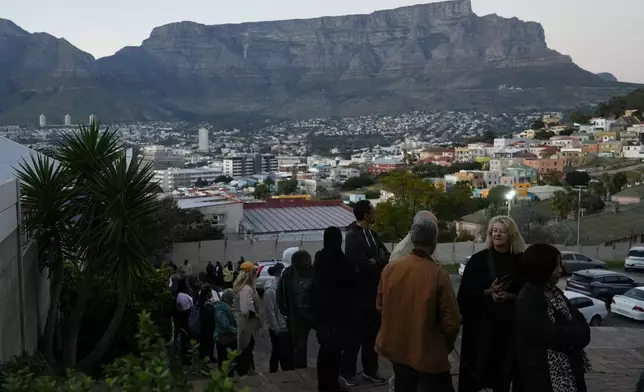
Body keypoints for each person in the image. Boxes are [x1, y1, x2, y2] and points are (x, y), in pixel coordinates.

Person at [376, 219, 460, 392]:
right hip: (428, 356)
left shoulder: (390, 269)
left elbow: (380, 306)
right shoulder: (437, 274)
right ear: (434, 242)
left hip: (396, 350)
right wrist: (446, 347)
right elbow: (452, 322)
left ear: (413, 240)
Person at [457, 215, 526, 392]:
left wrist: (509, 296)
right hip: (482, 330)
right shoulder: (478, 260)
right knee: (476, 373)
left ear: (511, 234)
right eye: (494, 230)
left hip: (509, 330)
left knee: (503, 376)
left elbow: (530, 293)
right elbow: (464, 296)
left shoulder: (522, 261)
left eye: (502, 231)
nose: (497, 234)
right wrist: (489, 292)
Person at [516, 244, 591, 392]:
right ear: (542, 267)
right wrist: (574, 334)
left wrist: (571, 334)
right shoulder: (528, 299)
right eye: (555, 265)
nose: (560, 270)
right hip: (543, 379)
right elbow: (551, 336)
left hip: (571, 374)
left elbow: (584, 329)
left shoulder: (556, 293)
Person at [341, 200, 389, 385]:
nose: (375, 214)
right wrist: (376, 262)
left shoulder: (373, 234)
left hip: (374, 295)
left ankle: (370, 370)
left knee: (372, 337)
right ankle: (347, 373)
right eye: (373, 211)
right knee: (354, 338)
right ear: (366, 215)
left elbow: (386, 255)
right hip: (358, 297)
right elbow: (359, 263)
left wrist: (374, 261)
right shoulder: (353, 236)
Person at [310, 226, 359, 392]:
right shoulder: (342, 261)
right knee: (336, 352)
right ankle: (333, 384)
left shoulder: (319, 259)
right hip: (339, 316)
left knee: (325, 352)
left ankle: (324, 385)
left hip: (322, 315)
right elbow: (350, 288)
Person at [277, 249, 315, 370]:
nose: (305, 267)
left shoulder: (315, 272)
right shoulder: (288, 274)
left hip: (314, 313)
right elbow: (280, 294)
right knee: (299, 346)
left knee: (326, 342)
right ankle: (301, 370)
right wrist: (286, 312)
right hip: (297, 315)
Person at [233, 261, 263, 376]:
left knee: (247, 348)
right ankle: (245, 372)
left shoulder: (246, 287)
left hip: (246, 325)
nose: (256, 274)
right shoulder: (246, 289)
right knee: (246, 348)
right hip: (247, 325)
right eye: (254, 272)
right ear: (249, 274)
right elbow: (247, 310)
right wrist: (258, 318)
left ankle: (250, 370)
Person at [264, 262, 295, 373]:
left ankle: (280, 372)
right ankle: (275, 373)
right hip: (278, 328)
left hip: (284, 326)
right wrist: (276, 328)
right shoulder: (270, 291)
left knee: (281, 352)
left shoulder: (281, 287)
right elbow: (270, 312)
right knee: (278, 352)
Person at [214, 289, 238, 371]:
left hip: (224, 337)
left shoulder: (223, 307)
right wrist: (236, 331)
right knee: (224, 361)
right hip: (223, 338)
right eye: (232, 299)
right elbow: (225, 325)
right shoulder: (221, 309)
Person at [175, 279, 194, 364]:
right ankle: (186, 359)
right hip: (185, 322)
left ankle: (187, 358)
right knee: (185, 341)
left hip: (187, 321)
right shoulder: (181, 296)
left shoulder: (183, 295)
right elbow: (186, 310)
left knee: (186, 341)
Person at [197, 286, 216, 364]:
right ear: (208, 292)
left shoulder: (202, 300)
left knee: (206, 341)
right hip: (207, 324)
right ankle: (208, 356)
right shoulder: (205, 302)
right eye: (210, 291)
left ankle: (208, 356)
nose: (211, 293)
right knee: (208, 341)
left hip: (205, 324)